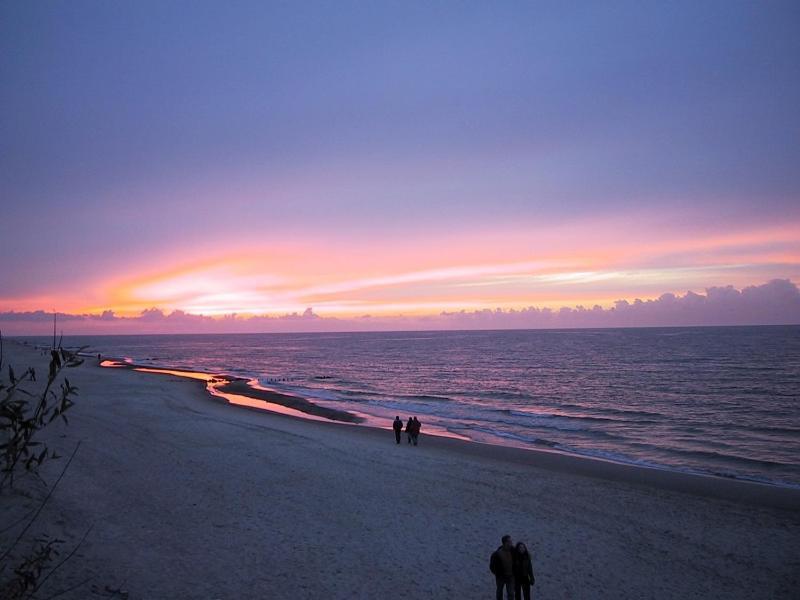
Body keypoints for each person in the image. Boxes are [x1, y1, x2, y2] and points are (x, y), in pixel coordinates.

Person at [490, 535, 515, 600]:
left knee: (511, 593)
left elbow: (522, 556)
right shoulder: (497, 553)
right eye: (509, 541)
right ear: (505, 543)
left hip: (511, 576)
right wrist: (497, 573)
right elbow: (492, 566)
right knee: (499, 592)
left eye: (511, 541)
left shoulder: (513, 551)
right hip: (501, 577)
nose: (511, 542)